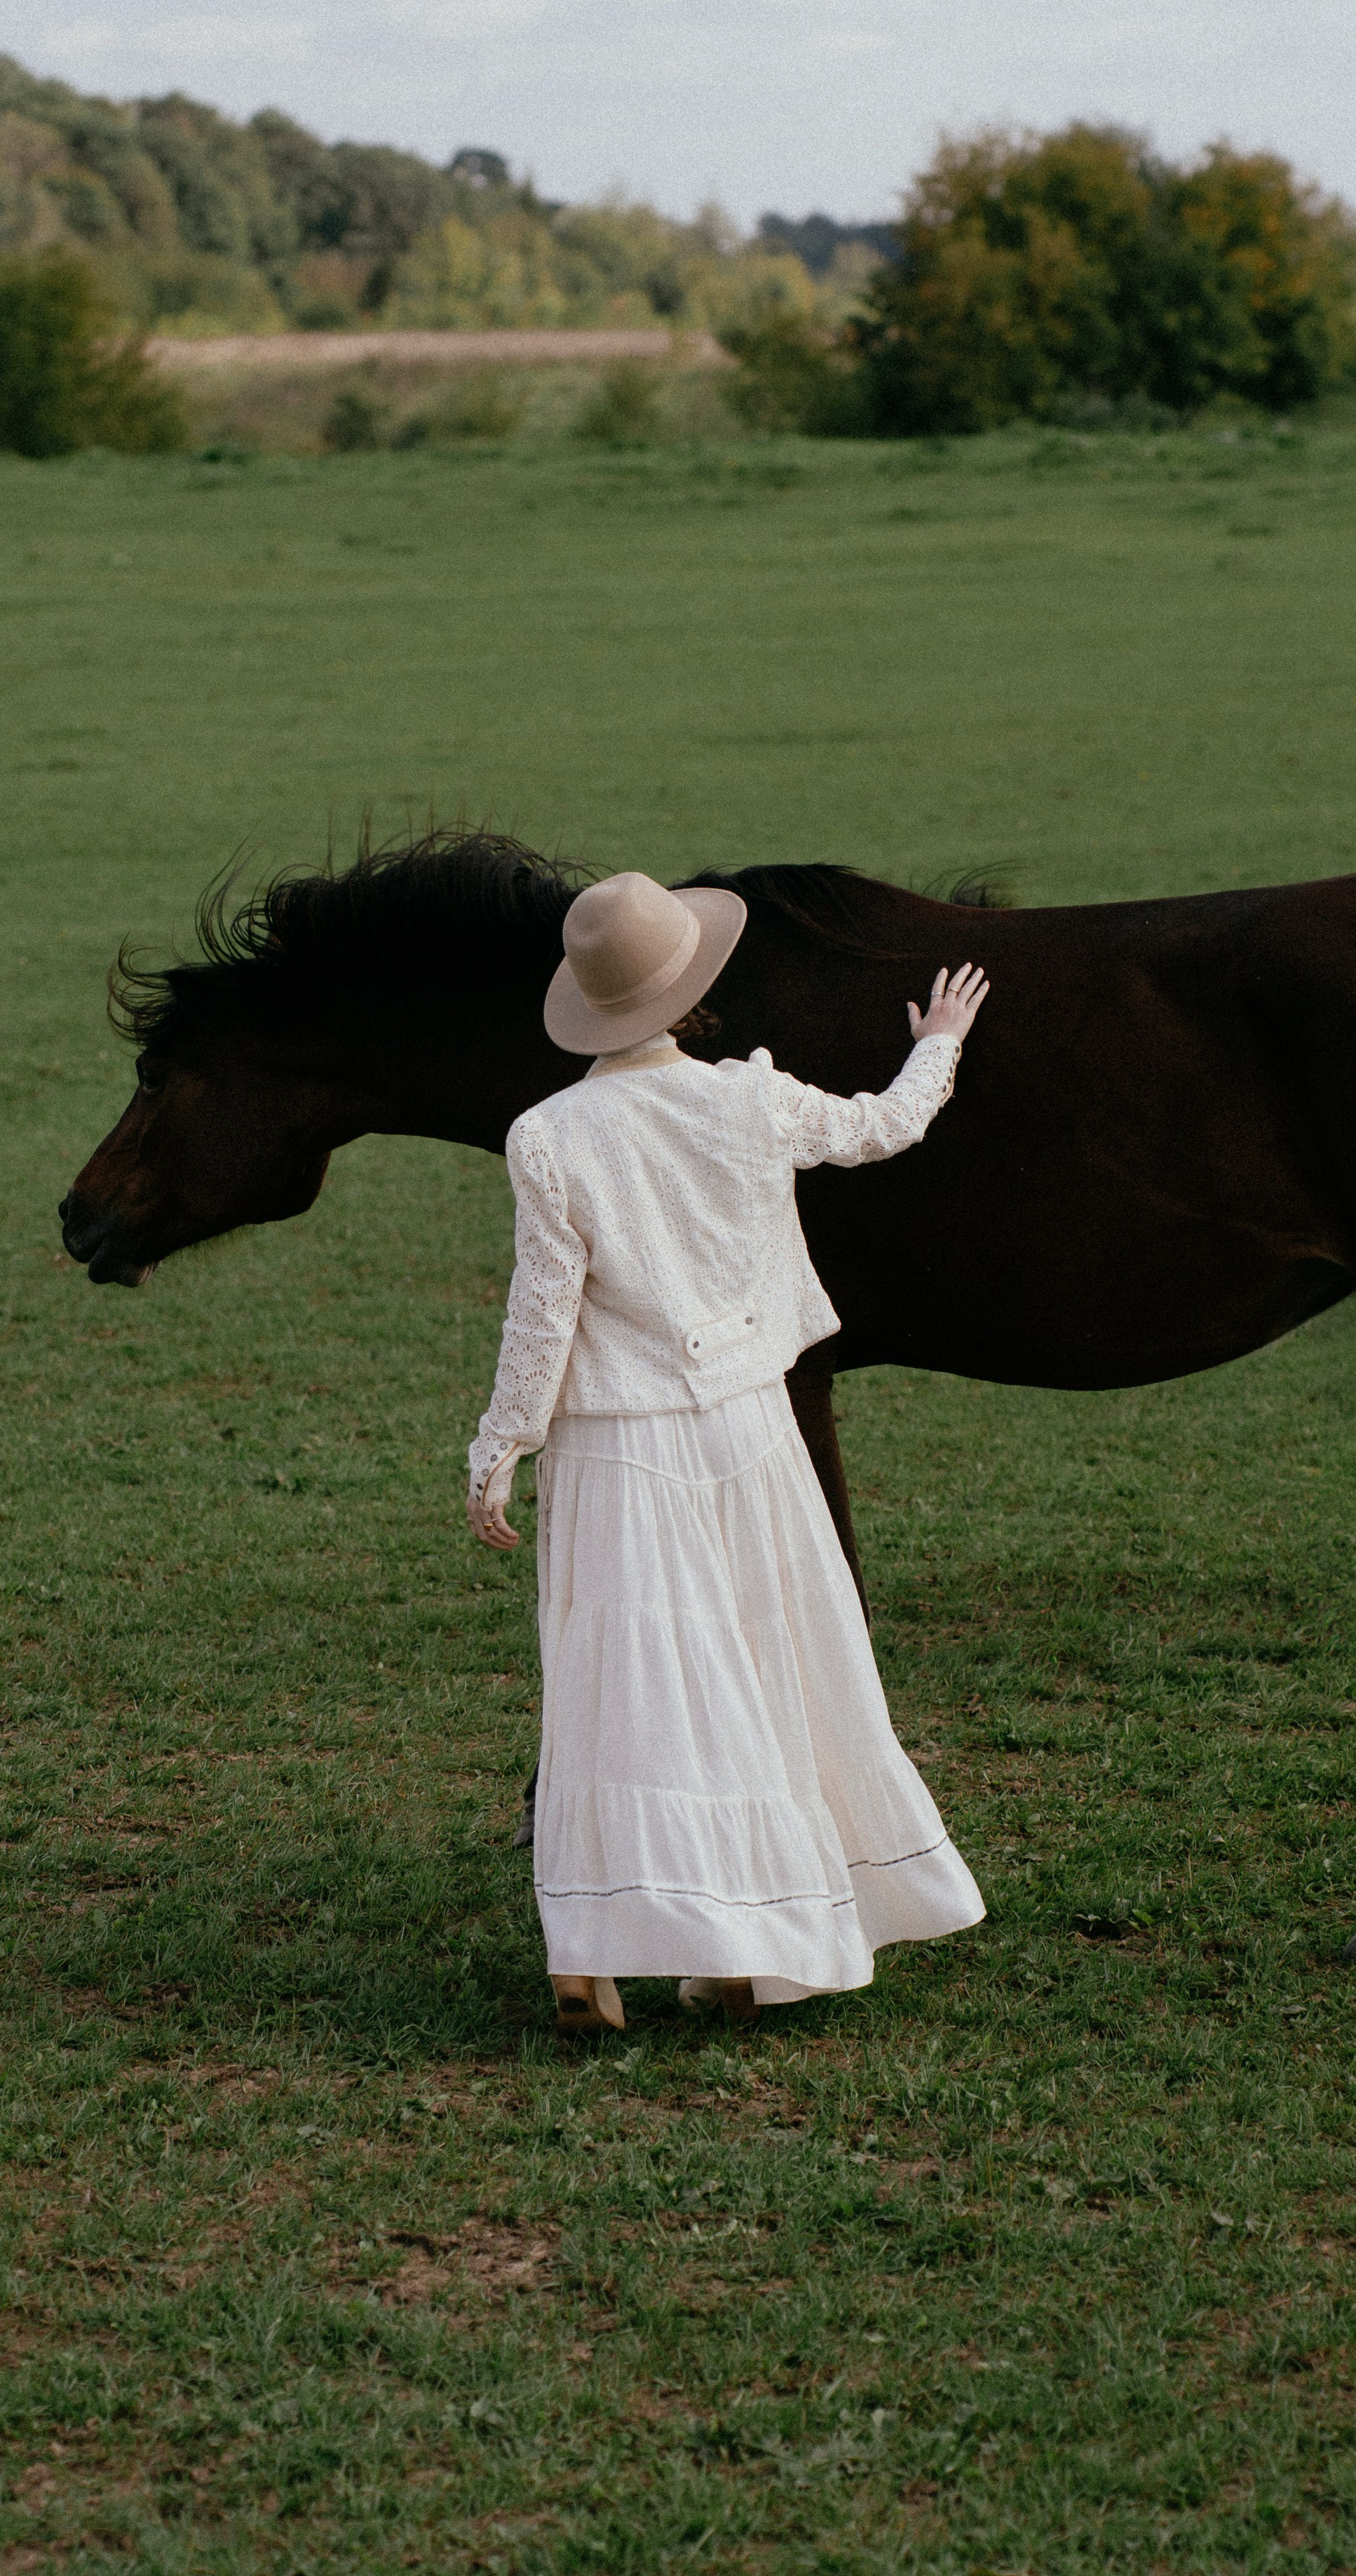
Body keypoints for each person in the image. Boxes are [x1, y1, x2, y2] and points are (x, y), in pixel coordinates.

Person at [466, 870, 989, 2037]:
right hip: (748, 1426)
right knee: (760, 1662)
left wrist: (502, 1443)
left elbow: (543, 1308)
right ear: (689, 986)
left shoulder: (547, 1136)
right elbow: (883, 1127)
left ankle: (592, 1957)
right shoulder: (748, 1100)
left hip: (617, 1447)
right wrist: (937, 1044)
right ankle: (746, 1943)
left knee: (621, 1686)